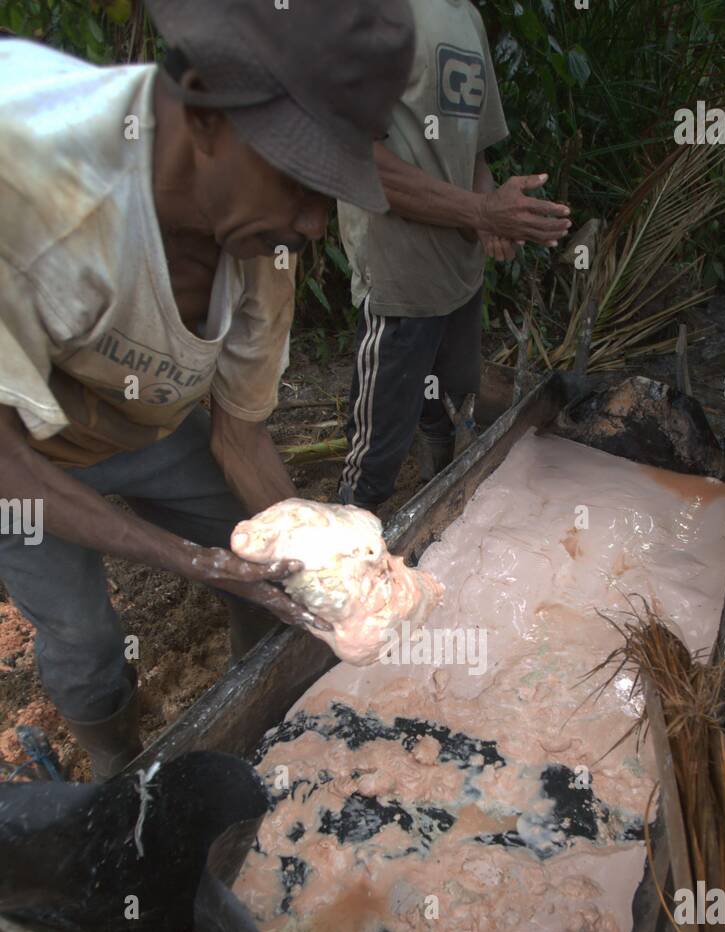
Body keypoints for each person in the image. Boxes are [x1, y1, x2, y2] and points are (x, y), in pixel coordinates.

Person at [0, 0, 415, 777]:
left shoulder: (266, 245)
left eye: (329, 195)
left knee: (260, 568)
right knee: (84, 634)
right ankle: (115, 763)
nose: (316, 224)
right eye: (299, 178)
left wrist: (322, 559)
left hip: (140, 428)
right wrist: (184, 559)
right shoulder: (28, 182)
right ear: (202, 109)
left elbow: (240, 432)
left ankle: (248, 717)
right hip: (19, 453)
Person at [336, 0, 571, 514]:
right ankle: (344, 560)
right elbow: (358, 158)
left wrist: (492, 219)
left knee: (448, 404)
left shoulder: (465, 16)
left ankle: (434, 507)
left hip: (460, 274)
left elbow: (475, 153)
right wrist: (484, 210)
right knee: (375, 452)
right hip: (400, 274)